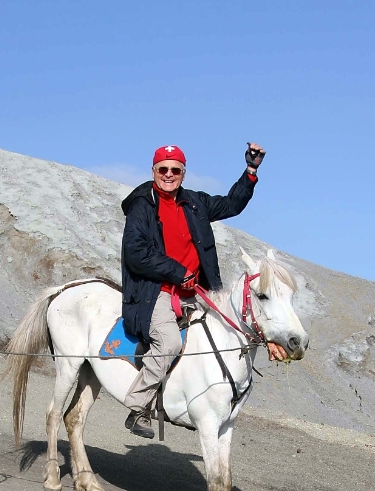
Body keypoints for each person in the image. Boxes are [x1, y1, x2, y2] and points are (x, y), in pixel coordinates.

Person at [121, 143, 285, 439]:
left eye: (175, 170)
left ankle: (211, 397)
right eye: (163, 169)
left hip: (197, 290)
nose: (168, 175)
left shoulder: (195, 202)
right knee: (169, 342)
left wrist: (250, 171)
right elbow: (136, 252)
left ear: (183, 173)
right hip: (154, 290)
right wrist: (176, 271)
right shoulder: (142, 206)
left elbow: (231, 205)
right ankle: (138, 407)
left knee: (236, 327)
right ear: (154, 172)